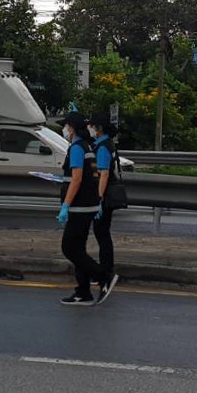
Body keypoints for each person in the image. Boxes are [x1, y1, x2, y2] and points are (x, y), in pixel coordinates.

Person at [56, 111, 118, 306]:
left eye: (65, 126)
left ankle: (103, 275)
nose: (64, 129)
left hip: (78, 206)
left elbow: (77, 178)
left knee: (69, 248)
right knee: (79, 248)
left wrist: (66, 205)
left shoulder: (76, 148)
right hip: (87, 205)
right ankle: (83, 291)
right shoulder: (88, 146)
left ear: (72, 128)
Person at [88, 112, 120, 281]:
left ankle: (106, 270)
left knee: (102, 234)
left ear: (99, 128)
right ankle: (106, 268)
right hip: (106, 194)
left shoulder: (102, 147)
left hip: (104, 195)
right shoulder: (105, 144)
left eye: (92, 126)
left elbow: (104, 174)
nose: (90, 128)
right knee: (103, 233)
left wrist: (98, 199)